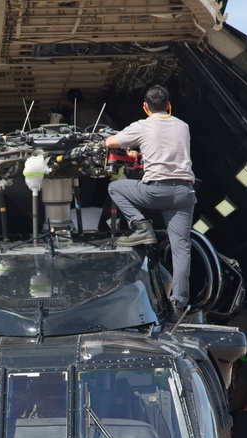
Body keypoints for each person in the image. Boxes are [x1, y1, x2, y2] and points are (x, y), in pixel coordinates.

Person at [105, 84, 197, 318]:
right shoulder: (183, 126)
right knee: (181, 249)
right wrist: (144, 152)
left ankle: (140, 225)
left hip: (156, 191)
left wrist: (134, 148)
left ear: (145, 107)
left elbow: (110, 143)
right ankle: (179, 302)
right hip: (184, 194)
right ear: (169, 106)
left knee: (115, 187)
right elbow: (168, 149)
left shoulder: (142, 126)